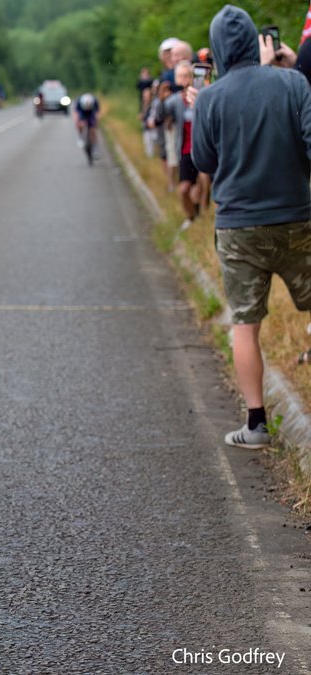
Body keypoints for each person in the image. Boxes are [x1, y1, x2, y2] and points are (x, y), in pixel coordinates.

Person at [190, 4, 311, 450]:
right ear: (258, 42)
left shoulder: (210, 96)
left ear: (219, 49)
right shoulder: (294, 82)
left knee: (246, 324)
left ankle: (256, 424)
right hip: (298, 216)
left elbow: (203, 161)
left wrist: (203, 111)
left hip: (239, 227)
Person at [167, 62, 201, 227]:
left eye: (188, 76)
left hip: (203, 149)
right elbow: (162, 114)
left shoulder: (203, 96)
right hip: (186, 150)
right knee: (184, 190)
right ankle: (191, 217)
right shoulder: (175, 100)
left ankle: (200, 216)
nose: (186, 80)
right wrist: (160, 99)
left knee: (201, 182)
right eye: (181, 76)